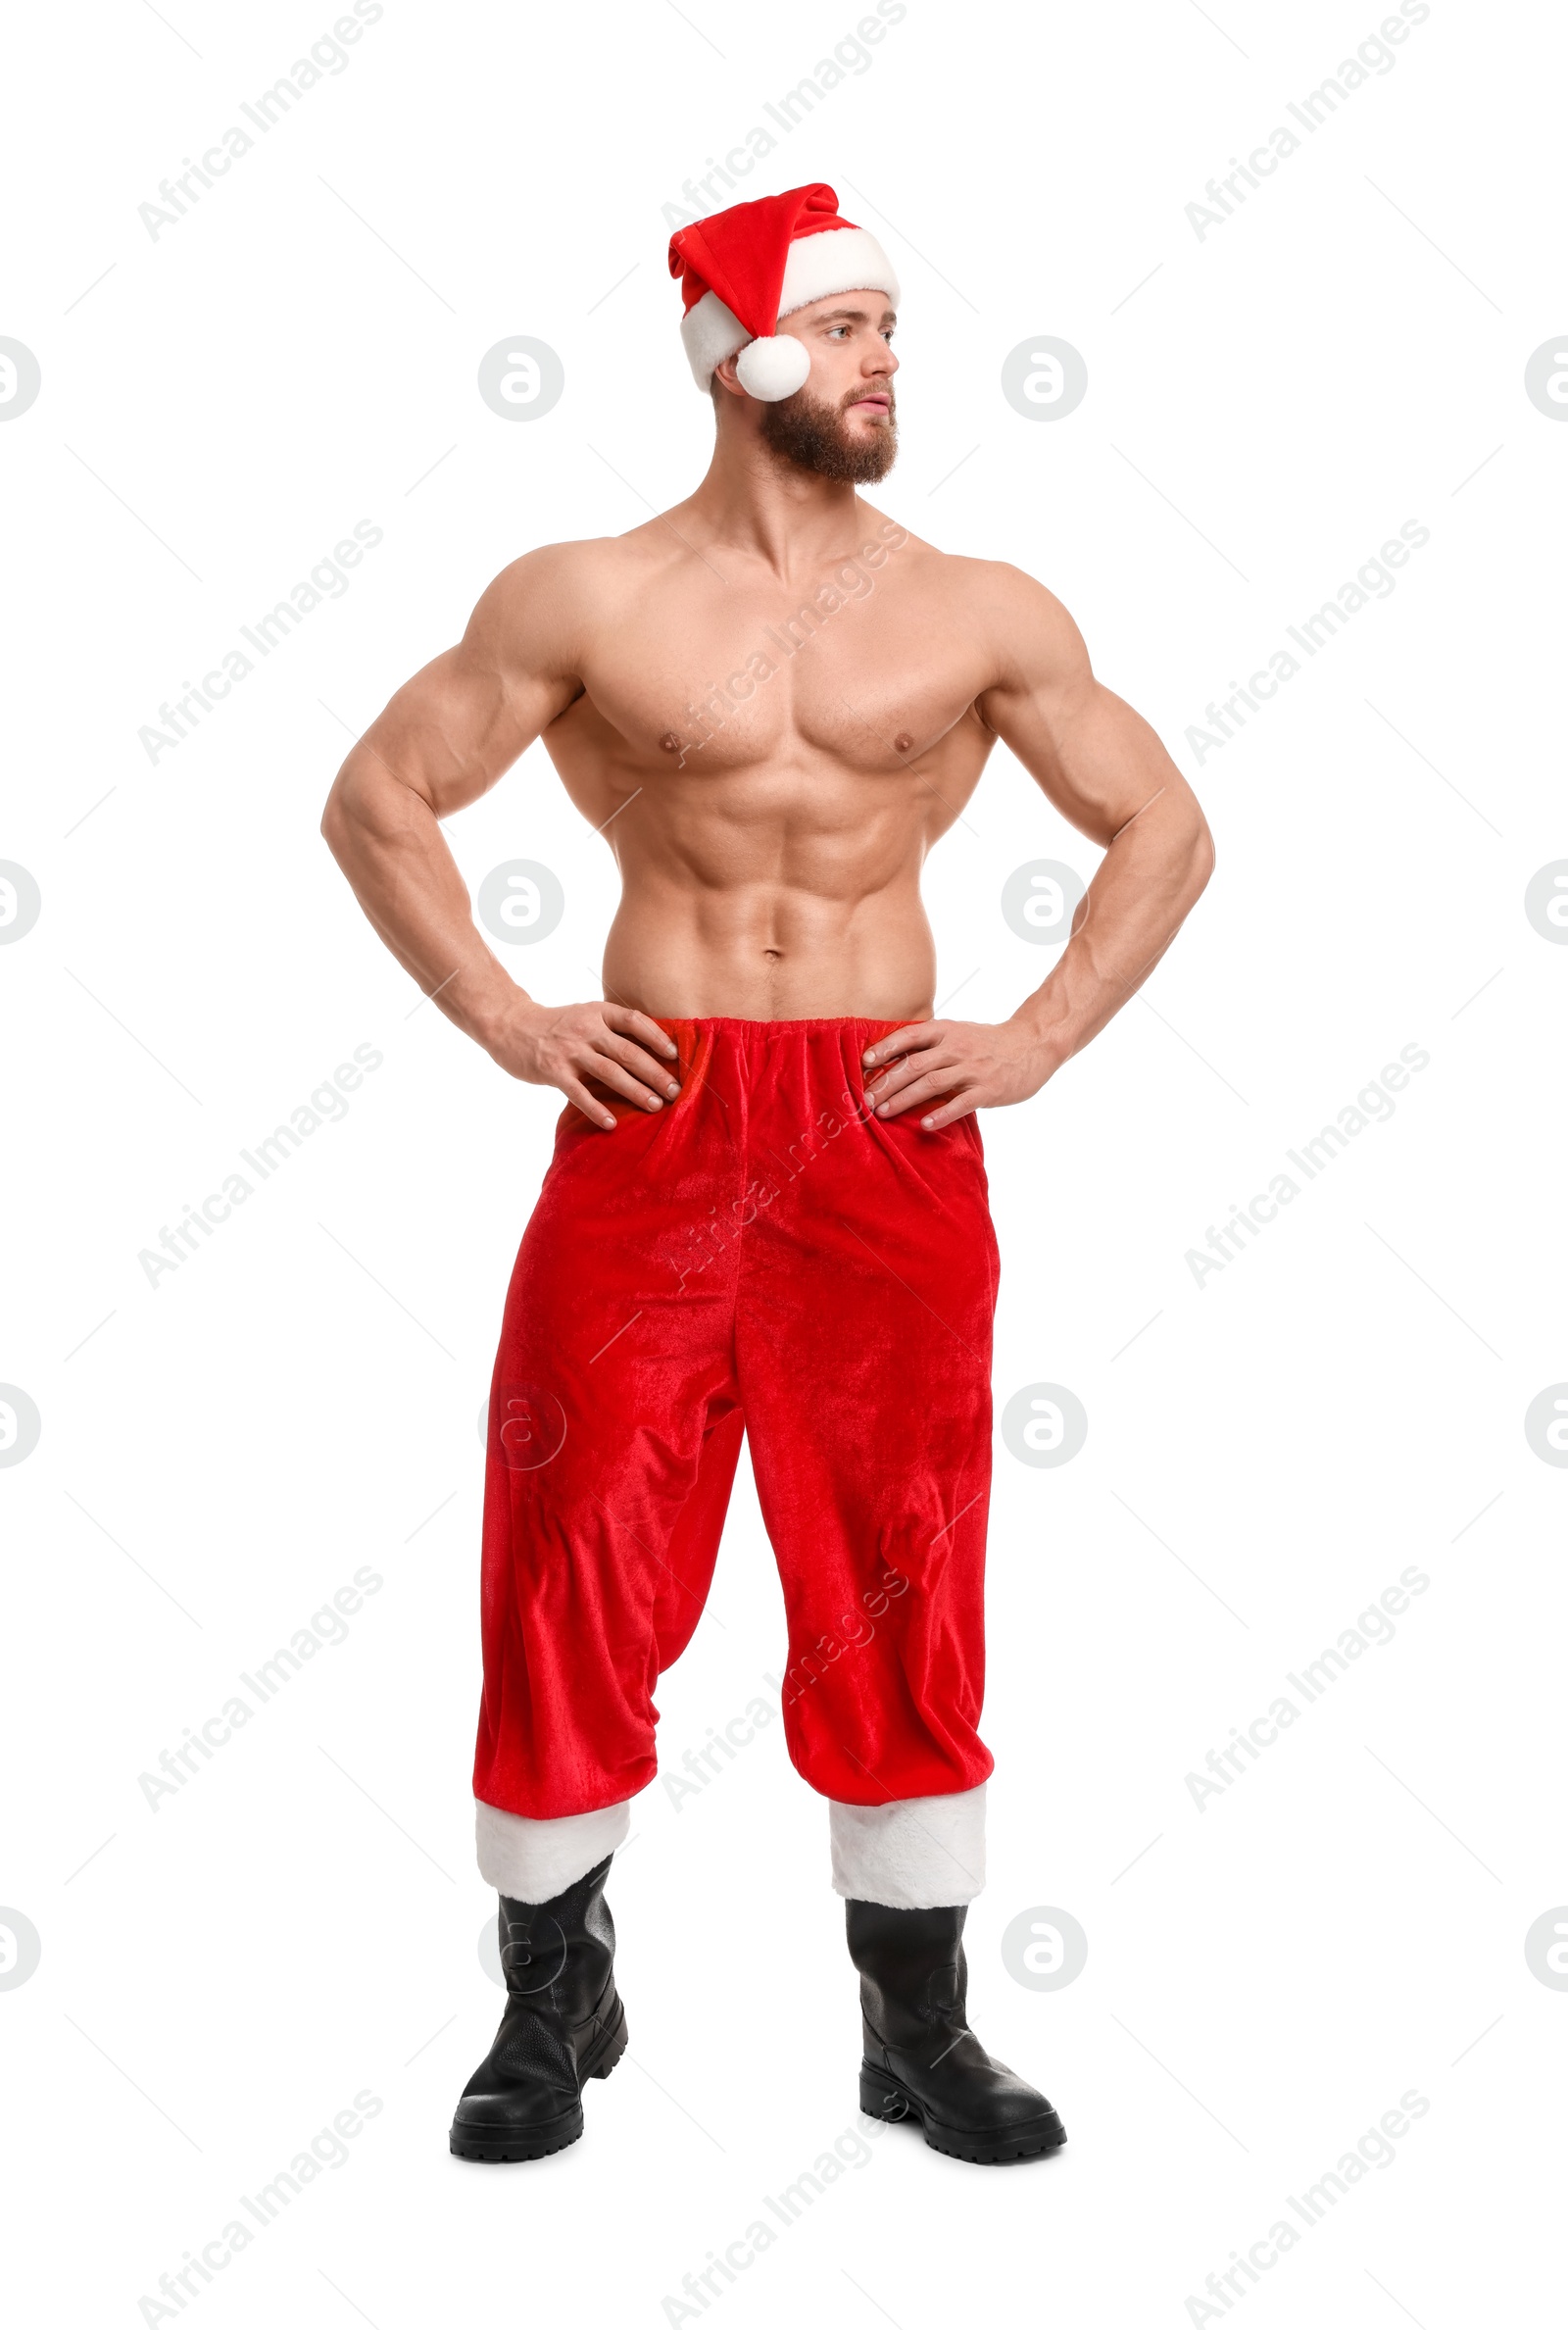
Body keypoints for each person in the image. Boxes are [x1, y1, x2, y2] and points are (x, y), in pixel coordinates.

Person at [321, 180, 1213, 2168]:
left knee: (897, 1551)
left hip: (882, 1132)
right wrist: (502, 1014)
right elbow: (379, 796)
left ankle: (914, 2021)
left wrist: (1039, 1034)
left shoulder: (980, 604)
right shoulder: (582, 593)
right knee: (571, 1537)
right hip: (651, 1119)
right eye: (854, 323)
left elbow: (1159, 822)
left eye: (897, 322)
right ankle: (551, 1986)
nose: (891, 356)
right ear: (740, 354)